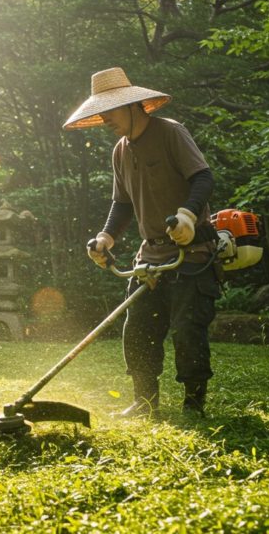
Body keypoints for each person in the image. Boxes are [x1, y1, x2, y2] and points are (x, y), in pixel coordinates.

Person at [63, 67, 220, 418]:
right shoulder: (120, 150)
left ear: (134, 106)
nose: (105, 120)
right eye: (100, 113)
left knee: (187, 331)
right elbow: (122, 204)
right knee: (138, 331)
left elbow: (203, 178)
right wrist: (106, 237)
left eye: (110, 111)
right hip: (149, 254)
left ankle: (194, 404)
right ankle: (144, 401)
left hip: (191, 251)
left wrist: (188, 216)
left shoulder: (171, 133)